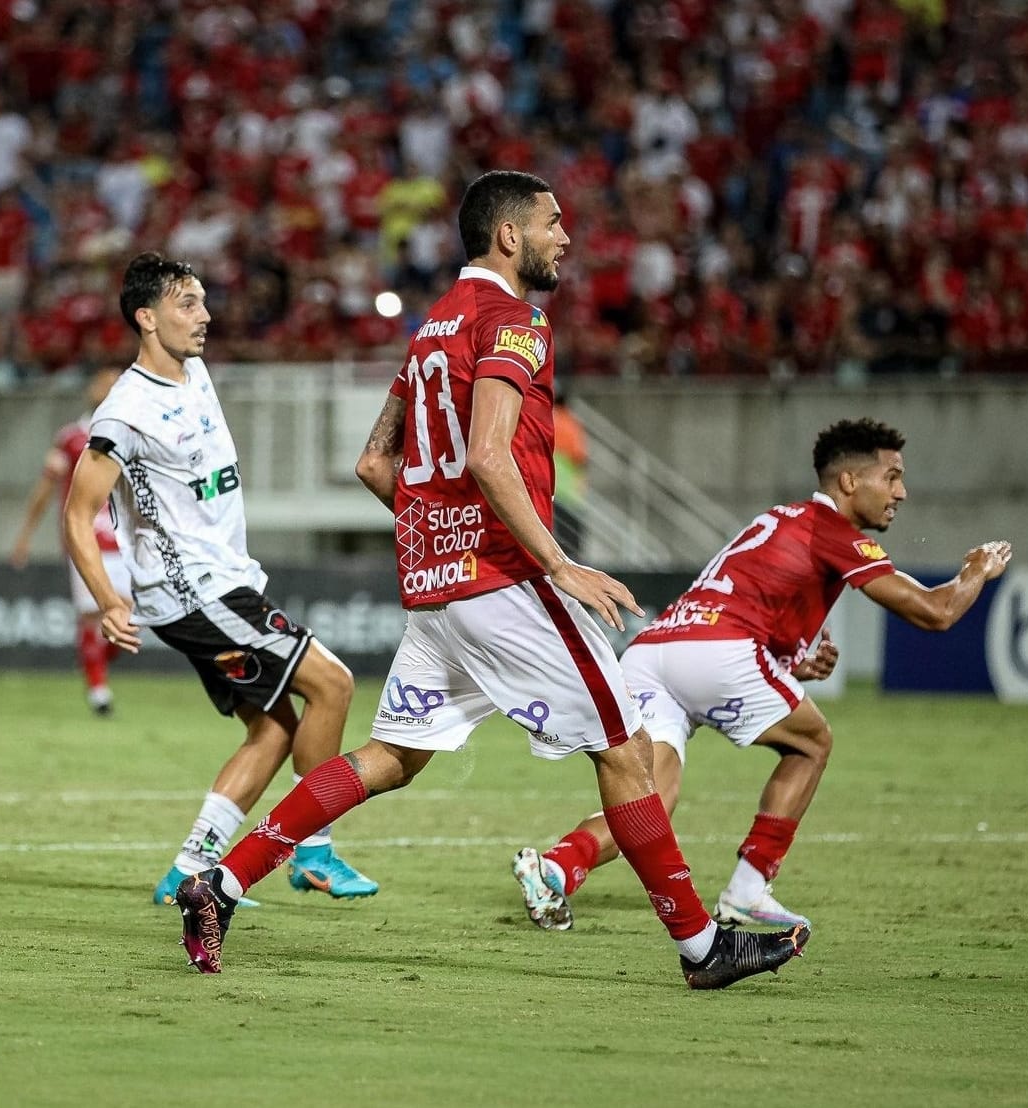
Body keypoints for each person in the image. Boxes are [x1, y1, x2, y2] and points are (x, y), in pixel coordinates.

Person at [172, 170, 809, 988]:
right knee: (625, 753)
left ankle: (217, 884)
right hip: (504, 581)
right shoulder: (517, 321)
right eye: (552, 222)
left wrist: (434, 528)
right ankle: (701, 947)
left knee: (390, 759)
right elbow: (486, 453)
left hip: (438, 589)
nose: (565, 237)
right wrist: (558, 562)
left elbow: (377, 461)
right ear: (508, 236)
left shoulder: (434, 326)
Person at [512, 418, 1012, 931]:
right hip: (716, 653)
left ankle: (555, 868)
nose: (901, 492)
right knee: (812, 743)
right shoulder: (833, 532)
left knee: (651, 799)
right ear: (848, 482)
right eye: (891, 477)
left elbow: (741, 601)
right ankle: (748, 890)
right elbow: (935, 612)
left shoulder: (778, 518)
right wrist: (976, 569)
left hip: (654, 652)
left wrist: (790, 663)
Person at [63, 251, 377, 908]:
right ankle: (313, 852)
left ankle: (189, 868)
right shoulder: (125, 411)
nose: (204, 316)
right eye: (187, 304)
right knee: (334, 685)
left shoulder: (195, 372)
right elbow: (77, 512)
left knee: (275, 728)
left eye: (204, 301)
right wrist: (108, 598)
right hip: (195, 592)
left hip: (222, 581)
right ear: (146, 318)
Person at [11, 366, 130, 716]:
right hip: (87, 539)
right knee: (96, 615)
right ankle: (98, 690)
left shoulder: (131, 437)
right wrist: (24, 537)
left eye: (115, 383)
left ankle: (94, 664)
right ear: (92, 390)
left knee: (128, 620)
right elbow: (45, 490)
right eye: (103, 382)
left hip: (125, 540)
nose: (108, 387)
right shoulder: (71, 438)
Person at [551, 382, 588, 560]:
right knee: (572, 544)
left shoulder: (549, 419)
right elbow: (581, 457)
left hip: (553, 489)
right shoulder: (572, 423)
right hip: (570, 492)